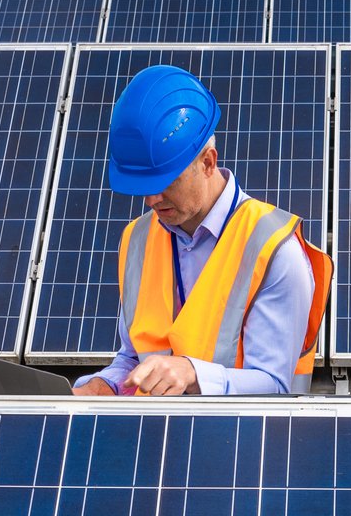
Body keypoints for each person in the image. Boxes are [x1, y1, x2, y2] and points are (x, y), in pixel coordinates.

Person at [75, 66, 329, 398]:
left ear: (208, 162)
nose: (152, 200)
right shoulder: (136, 240)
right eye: (143, 186)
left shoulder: (274, 248)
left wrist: (194, 374)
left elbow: (274, 387)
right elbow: (133, 357)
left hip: (246, 443)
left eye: (165, 182)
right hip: (152, 436)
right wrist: (105, 384)